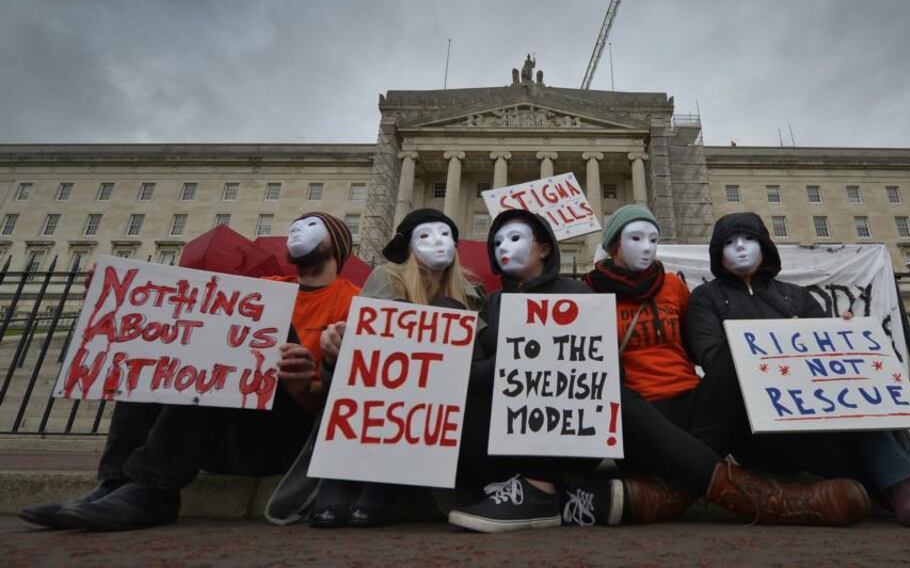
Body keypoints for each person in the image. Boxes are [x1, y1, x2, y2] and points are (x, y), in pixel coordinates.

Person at [20, 212, 360, 531]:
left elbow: (345, 406)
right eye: (295, 225)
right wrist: (124, 293)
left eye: (312, 224)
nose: (298, 230)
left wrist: (301, 386)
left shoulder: (354, 302)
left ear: (339, 242)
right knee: (169, 344)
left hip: (284, 437)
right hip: (219, 431)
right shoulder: (262, 288)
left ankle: (153, 492)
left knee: (237, 337)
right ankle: (117, 484)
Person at [579, 205, 872, 527]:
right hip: (640, 418)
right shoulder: (586, 293)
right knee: (617, 397)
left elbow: (700, 351)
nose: (647, 247)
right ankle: (771, 500)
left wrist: (814, 334)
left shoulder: (673, 287)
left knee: (737, 348)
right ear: (613, 245)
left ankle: (676, 490)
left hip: (694, 406)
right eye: (636, 238)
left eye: (653, 239)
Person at [684, 211, 910, 528]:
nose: (740, 248)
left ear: (765, 246)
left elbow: (825, 367)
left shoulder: (796, 296)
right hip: (754, 424)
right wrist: (778, 335)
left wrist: (840, 335)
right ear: (717, 253)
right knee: (839, 433)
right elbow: (711, 358)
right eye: (729, 242)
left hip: (812, 417)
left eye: (749, 239)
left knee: (854, 408)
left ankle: (908, 489)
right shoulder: (704, 298)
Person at [300, 208, 481, 528]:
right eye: (425, 235)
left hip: (434, 408)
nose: (438, 242)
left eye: (445, 235)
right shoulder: (386, 278)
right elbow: (363, 355)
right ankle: (336, 478)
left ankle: (380, 482)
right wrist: (335, 349)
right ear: (409, 246)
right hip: (381, 394)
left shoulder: (471, 294)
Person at [447, 209, 611, 533]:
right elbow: (475, 376)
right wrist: (518, 361)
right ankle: (560, 499)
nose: (502, 247)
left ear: (544, 248)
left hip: (569, 438)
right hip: (501, 435)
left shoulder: (579, 295)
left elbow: (600, 377)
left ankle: (539, 490)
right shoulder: (490, 304)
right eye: (496, 242)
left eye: (515, 238)